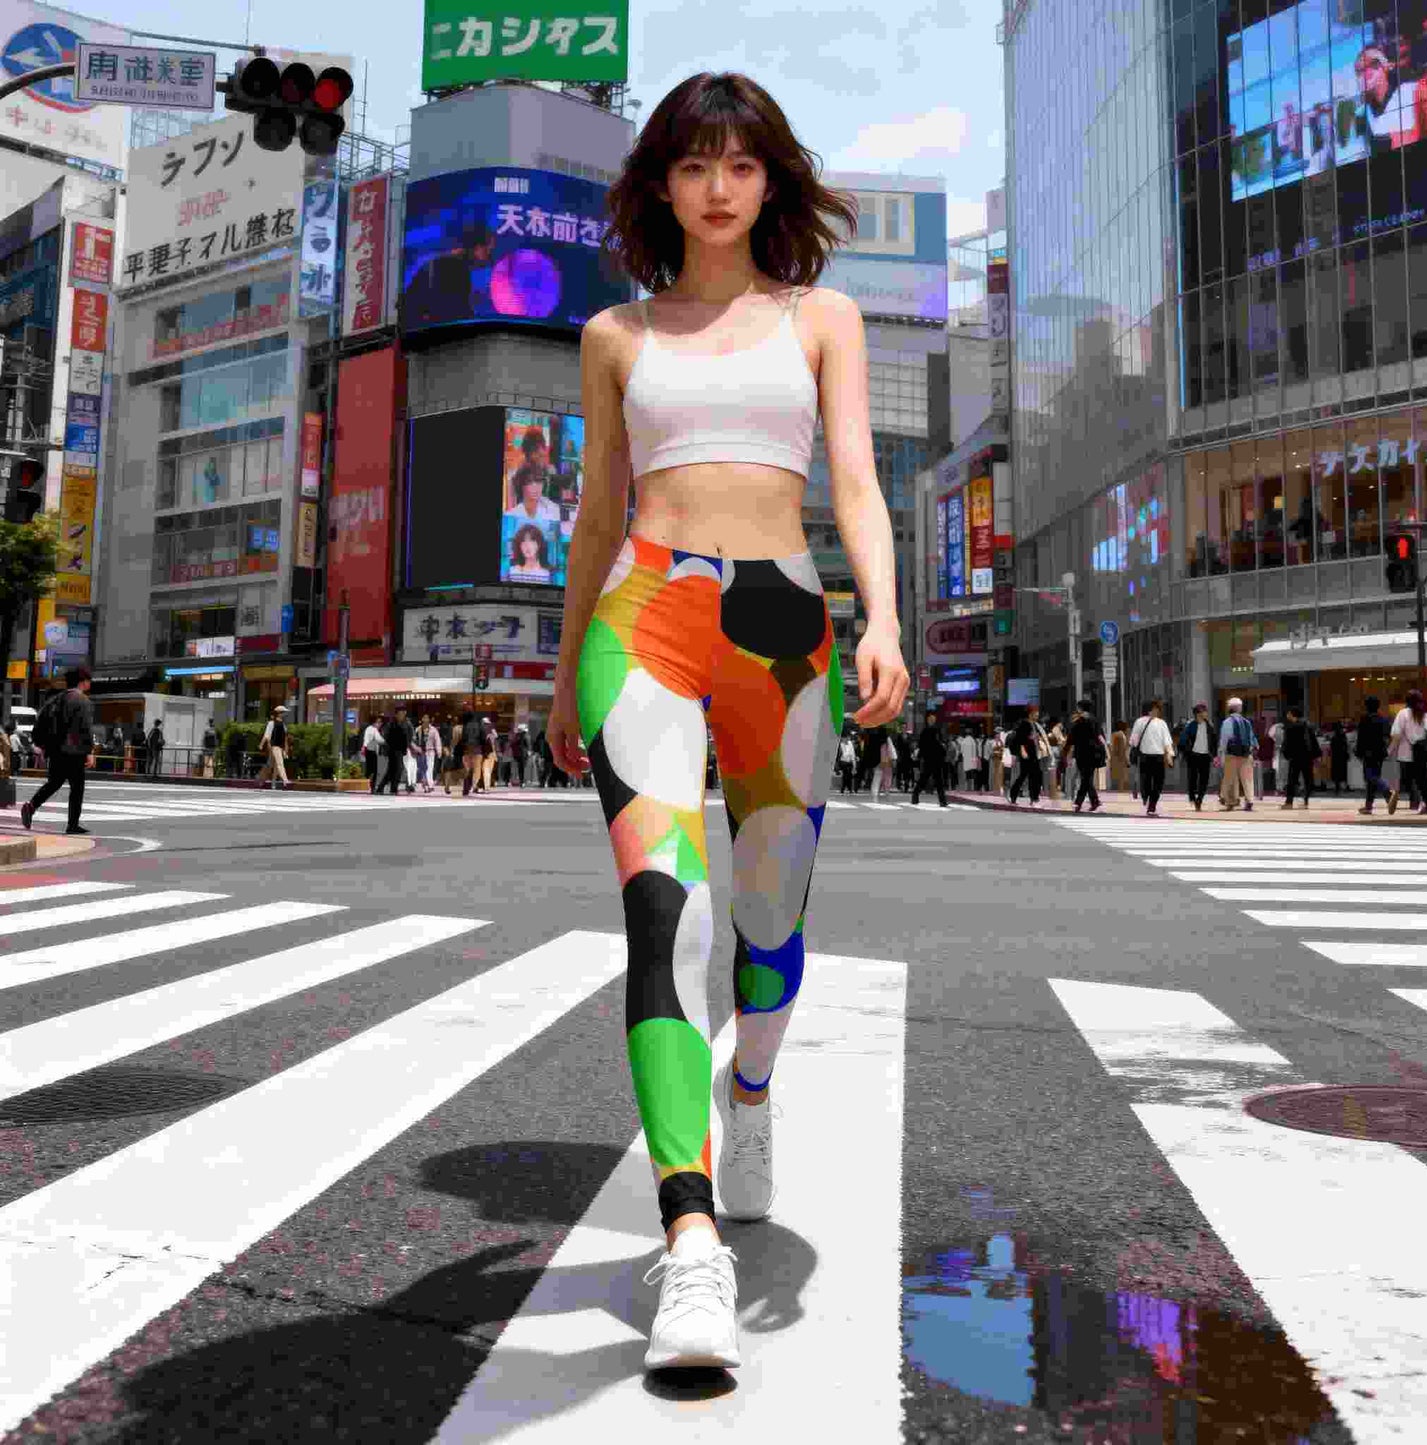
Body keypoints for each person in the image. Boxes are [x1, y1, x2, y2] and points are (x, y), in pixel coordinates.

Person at [543, 72, 907, 1374]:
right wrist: (560, 670)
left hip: (783, 630)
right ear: (660, 184)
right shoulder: (614, 334)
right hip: (641, 618)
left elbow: (855, 482)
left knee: (768, 917)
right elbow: (597, 511)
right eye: (692, 164)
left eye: (739, 164)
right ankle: (690, 1237)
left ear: (769, 181)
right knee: (666, 914)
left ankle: (749, 1085)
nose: (716, 187)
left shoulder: (821, 318)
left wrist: (883, 618)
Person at [21, 666, 95, 835]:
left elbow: (40, 723)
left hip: (56, 750)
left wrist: (43, 745)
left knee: (54, 783)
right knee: (77, 788)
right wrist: (89, 751)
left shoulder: (55, 700)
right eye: (88, 681)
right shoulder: (82, 700)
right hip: (75, 750)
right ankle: (72, 824)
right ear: (83, 682)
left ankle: (31, 806)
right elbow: (85, 727)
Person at [1388, 689, 1427, 815]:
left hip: (1406, 754)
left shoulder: (1403, 714)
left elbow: (1396, 735)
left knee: (1408, 780)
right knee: (1423, 780)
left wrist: (1390, 750)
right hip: (1423, 753)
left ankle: (1415, 802)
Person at [1060, 700, 1105, 813]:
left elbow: (1071, 738)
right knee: (1087, 778)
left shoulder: (1078, 721)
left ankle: (1078, 802)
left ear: (1080, 708)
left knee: (1085, 778)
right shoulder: (1095, 720)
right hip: (1094, 753)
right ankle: (1094, 801)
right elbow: (1100, 736)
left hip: (1082, 752)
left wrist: (1065, 752)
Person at [1131, 699, 1174, 817]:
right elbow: (1134, 740)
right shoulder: (1140, 722)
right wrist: (1131, 751)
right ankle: (1146, 797)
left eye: (1158, 709)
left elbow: (1167, 741)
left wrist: (1169, 755)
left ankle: (1152, 804)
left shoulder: (1161, 723)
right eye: (1155, 709)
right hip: (1145, 756)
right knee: (1147, 781)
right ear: (1149, 710)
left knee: (1157, 782)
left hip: (1157, 756)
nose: (1157, 711)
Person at [1217, 697, 1257, 812]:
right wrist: (1252, 751)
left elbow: (1224, 741)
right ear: (1239, 708)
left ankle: (1231, 802)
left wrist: (1221, 754)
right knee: (1247, 779)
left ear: (1229, 708)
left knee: (1230, 778)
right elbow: (1252, 738)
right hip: (1246, 754)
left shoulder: (1227, 722)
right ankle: (1249, 801)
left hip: (1232, 754)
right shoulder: (1246, 722)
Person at [1278, 705, 1319, 809]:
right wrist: (1316, 755)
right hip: (1307, 757)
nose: (1287, 715)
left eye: (1288, 713)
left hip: (1295, 757)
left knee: (1292, 780)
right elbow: (1313, 741)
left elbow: (1287, 742)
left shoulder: (1291, 726)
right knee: (1308, 779)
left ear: (1292, 714)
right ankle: (1306, 801)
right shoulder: (1309, 725)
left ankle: (1289, 802)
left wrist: (1286, 754)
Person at [1355, 695, 1390, 815]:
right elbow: (1387, 736)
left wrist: (1358, 752)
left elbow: (1361, 738)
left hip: (1368, 753)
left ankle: (1386, 790)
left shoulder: (1365, 719)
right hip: (1380, 753)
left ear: (1367, 706)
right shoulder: (1383, 719)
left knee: (1370, 776)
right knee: (1373, 779)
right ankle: (1368, 806)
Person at [1179, 702, 1217, 813]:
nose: (1206, 713)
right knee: (1192, 779)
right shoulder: (1190, 725)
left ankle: (1199, 799)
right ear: (1198, 714)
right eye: (1204, 711)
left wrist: (1214, 755)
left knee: (1204, 780)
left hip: (1205, 756)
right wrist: (1186, 753)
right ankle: (1192, 796)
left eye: (1205, 711)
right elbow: (1182, 740)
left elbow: (1214, 741)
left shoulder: (1209, 725)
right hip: (1193, 755)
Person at [1008, 703, 1047, 806]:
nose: (1038, 714)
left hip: (1034, 753)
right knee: (1025, 775)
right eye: (1036, 712)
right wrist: (1023, 751)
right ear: (1031, 713)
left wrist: (1036, 739)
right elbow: (1020, 739)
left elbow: (1033, 737)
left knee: (1034, 775)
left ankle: (1033, 798)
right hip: (1027, 754)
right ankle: (1014, 795)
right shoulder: (1024, 724)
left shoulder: (1034, 724)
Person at [256, 706, 291, 789]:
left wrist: (286, 749)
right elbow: (266, 735)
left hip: (280, 747)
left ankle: (264, 780)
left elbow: (285, 738)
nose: (285, 714)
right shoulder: (271, 723)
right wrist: (261, 744)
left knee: (272, 765)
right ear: (279, 713)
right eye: (283, 712)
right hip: (274, 746)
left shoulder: (283, 725)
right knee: (280, 763)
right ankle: (285, 780)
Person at [382, 705, 414, 796]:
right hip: (393, 750)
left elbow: (410, 736)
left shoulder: (407, 724)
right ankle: (392, 788)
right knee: (396, 769)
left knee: (395, 770)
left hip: (401, 750)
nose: (402, 715)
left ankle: (386, 787)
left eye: (403, 714)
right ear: (396, 715)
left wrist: (407, 746)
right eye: (400, 714)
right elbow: (386, 737)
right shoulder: (391, 724)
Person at [417, 713, 442, 793]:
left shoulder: (433, 730)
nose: (425, 719)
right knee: (422, 769)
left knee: (429, 768)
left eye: (427, 718)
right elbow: (414, 740)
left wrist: (439, 751)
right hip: (421, 751)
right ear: (422, 719)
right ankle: (425, 783)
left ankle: (430, 785)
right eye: (424, 718)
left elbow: (437, 741)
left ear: (429, 719)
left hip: (430, 751)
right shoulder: (418, 729)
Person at [871, 728, 896, 800]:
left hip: (878, 760)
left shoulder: (874, 738)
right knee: (887, 777)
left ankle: (876, 794)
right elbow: (891, 749)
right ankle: (887, 793)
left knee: (878, 777)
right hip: (886, 760)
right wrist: (894, 759)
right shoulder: (887, 739)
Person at [362, 715, 384, 793]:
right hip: (371, 750)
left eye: (380, 722)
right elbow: (379, 739)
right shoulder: (374, 729)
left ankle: (367, 785)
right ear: (374, 722)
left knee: (369, 769)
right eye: (378, 722)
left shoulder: (368, 729)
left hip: (368, 750)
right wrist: (386, 741)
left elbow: (365, 740)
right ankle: (372, 787)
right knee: (373, 770)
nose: (380, 724)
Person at [1329, 720, 1351, 795]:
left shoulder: (1334, 737)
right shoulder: (1343, 736)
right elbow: (1345, 746)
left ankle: (1337, 787)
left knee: (1336, 772)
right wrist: (1347, 754)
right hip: (1342, 756)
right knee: (1343, 771)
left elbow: (1332, 746)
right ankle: (1344, 786)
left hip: (1335, 756)